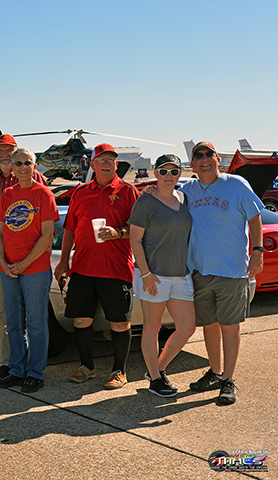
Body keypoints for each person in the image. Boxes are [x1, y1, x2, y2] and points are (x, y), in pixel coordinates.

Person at [182, 141, 263, 405]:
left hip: (232, 270)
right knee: (209, 325)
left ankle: (228, 379)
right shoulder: (187, 190)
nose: (205, 159)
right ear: (193, 164)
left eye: (210, 154)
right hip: (200, 270)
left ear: (218, 160)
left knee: (229, 326)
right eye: (199, 156)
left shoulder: (237, 184)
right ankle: (215, 372)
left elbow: (255, 219)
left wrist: (258, 252)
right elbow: (165, 200)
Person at [54, 143, 138, 389]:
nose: (105, 164)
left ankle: (119, 371)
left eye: (110, 159)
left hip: (116, 268)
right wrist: (63, 261)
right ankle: (87, 367)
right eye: (100, 160)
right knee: (81, 321)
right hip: (82, 268)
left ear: (116, 164)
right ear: (92, 165)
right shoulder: (80, 192)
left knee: (120, 323)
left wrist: (118, 232)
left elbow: (139, 229)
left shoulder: (128, 191)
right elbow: (70, 229)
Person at [0, 134, 47, 380]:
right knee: (1, 313)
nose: (5, 155)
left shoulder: (34, 179)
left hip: (30, 261)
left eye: (9, 150)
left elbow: (45, 225)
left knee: (32, 317)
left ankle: (32, 369)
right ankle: (9, 364)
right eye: (0, 151)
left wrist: (27, 259)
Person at [128, 154, 195, 397]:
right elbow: (135, 239)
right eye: (163, 171)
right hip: (153, 275)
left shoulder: (185, 198)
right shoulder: (146, 201)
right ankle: (156, 379)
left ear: (180, 174)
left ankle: (158, 368)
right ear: (155, 173)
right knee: (153, 327)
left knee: (187, 328)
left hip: (181, 274)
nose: (169, 176)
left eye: (174, 171)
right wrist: (145, 273)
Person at [0, 148, 59, 392]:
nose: (22, 167)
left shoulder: (43, 194)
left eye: (27, 163)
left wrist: (23, 264)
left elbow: (47, 235)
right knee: (13, 322)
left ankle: (35, 373)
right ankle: (17, 369)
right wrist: (3, 261)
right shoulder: (7, 194)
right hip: (8, 269)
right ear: (12, 166)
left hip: (35, 269)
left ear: (34, 166)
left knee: (36, 323)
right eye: (18, 163)